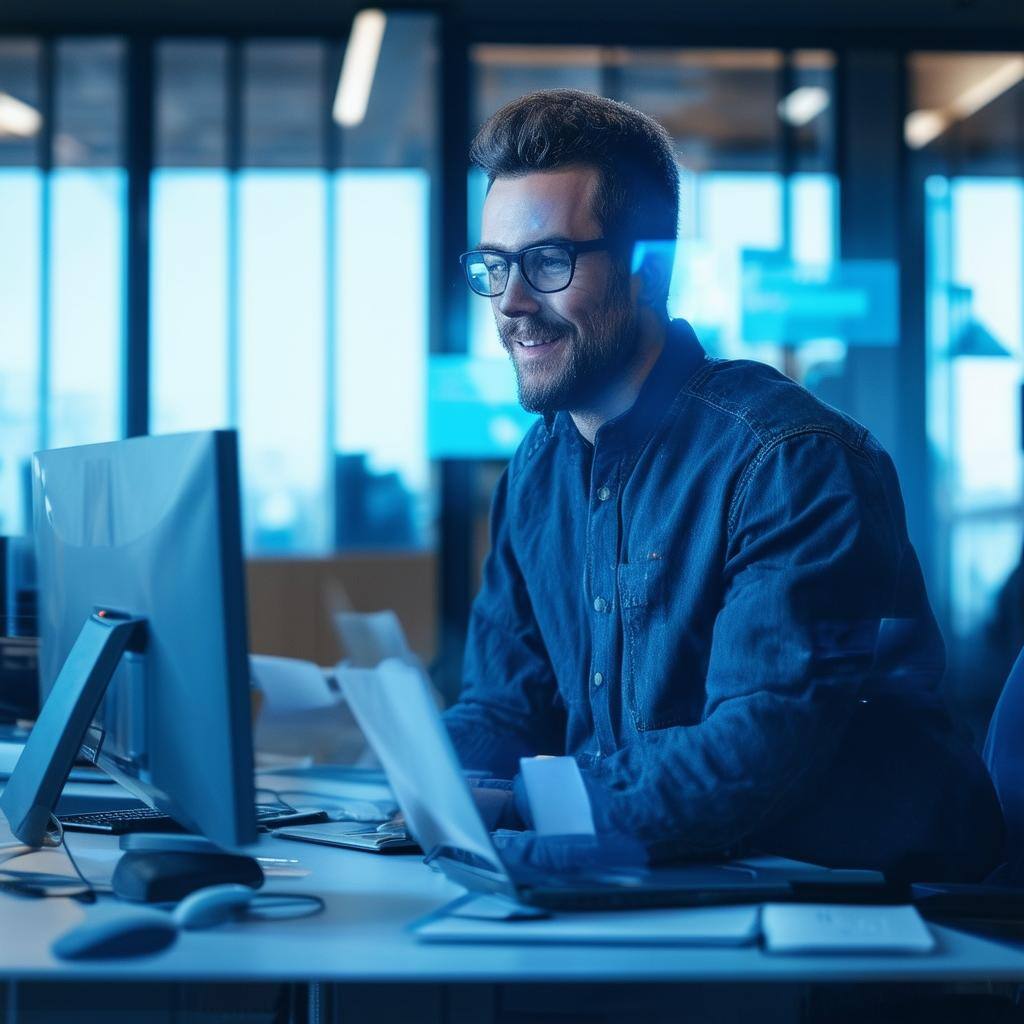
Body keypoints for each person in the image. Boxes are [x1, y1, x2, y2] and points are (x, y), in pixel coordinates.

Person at [442, 88, 1003, 881]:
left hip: (849, 903)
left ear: (650, 270)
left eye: (548, 261)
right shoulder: (538, 469)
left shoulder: (790, 459)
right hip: (664, 874)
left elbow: (757, 751)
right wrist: (434, 789)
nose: (511, 303)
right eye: (494, 266)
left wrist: (532, 806)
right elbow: (505, 705)